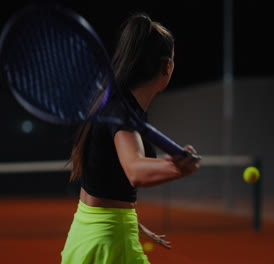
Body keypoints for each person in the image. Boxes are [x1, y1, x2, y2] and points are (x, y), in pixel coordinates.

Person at [61, 12, 200, 264]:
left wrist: (129, 221)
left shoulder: (114, 105)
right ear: (167, 66)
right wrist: (178, 167)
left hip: (86, 233)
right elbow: (135, 170)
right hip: (110, 243)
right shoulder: (122, 112)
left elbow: (104, 181)